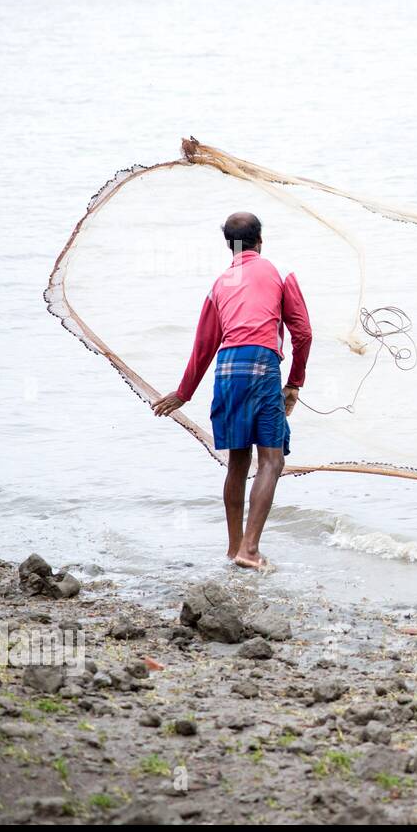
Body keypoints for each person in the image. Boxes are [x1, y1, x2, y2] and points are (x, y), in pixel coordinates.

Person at [151, 212, 313, 569]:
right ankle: (250, 551)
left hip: (226, 370)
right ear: (261, 240)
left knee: (238, 462)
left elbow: (205, 344)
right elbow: (303, 333)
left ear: (229, 245)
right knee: (272, 460)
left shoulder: (220, 283)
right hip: (260, 363)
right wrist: (294, 384)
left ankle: (234, 548)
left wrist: (184, 392)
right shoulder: (280, 273)